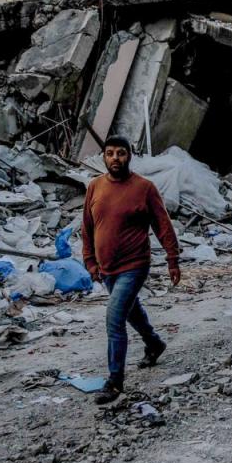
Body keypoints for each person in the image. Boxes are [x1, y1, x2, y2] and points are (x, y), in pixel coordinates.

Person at [83, 135, 181, 404]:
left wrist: (173, 258)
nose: (115, 158)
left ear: (129, 156)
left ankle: (115, 382)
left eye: (121, 153)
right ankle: (154, 343)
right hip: (107, 268)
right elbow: (87, 228)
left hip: (135, 265)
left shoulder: (144, 188)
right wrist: (90, 261)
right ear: (104, 156)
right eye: (110, 153)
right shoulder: (94, 187)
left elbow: (162, 224)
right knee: (131, 310)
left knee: (114, 318)